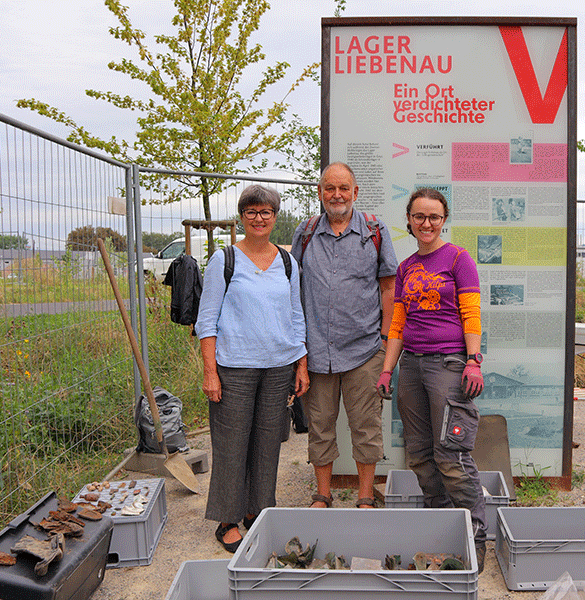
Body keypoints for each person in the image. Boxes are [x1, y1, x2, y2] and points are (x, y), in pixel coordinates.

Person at [376, 187, 487, 572]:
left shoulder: (458, 259)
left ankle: (475, 541)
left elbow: (470, 314)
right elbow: (397, 324)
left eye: (434, 217)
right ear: (408, 219)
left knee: (451, 457)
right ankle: (442, 534)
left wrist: (473, 361)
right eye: (419, 217)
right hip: (412, 367)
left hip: (449, 366)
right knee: (421, 455)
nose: (426, 223)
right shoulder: (406, 267)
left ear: (444, 219)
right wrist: (388, 369)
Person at [195, 185, 308, 552]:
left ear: (275, 217)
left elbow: (296, 316)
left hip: (278, 367)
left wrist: (300, 364)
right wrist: (210, 371)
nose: (259, 218)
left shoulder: (288, 262)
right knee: (231, 444)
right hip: (234, 368)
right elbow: (207, 319)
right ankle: (228, 519)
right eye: (252, 212)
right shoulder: (225, 260)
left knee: (266, 444)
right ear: (242, 216)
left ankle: (258, 512)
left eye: (267, 212)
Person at [291, 162, 398, 510]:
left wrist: (384, 342)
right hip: (317, 352)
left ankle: (366, 496)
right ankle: (322, 495)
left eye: (343, 188)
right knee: (320, 426)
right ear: (320, 193)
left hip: (364, 351)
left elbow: (388, 287)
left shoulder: (374, 230)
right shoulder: (305, 233)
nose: (336, 195)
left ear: (355, 192)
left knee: (366, 427)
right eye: (329, 188)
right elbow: (294, 289)